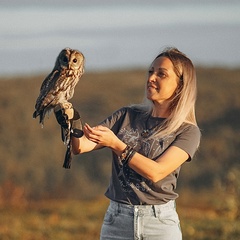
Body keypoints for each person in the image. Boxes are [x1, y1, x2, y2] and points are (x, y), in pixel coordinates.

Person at [55, 47, 201, 240]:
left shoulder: (188, 131)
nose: (151, 78)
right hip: (117, 220)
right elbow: (81, 146)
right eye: (150, 72)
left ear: (180, 85)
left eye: (161, 74)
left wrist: (117, 145)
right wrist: (72, 120)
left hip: (159, 224)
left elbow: (156, 172)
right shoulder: (126, 115)